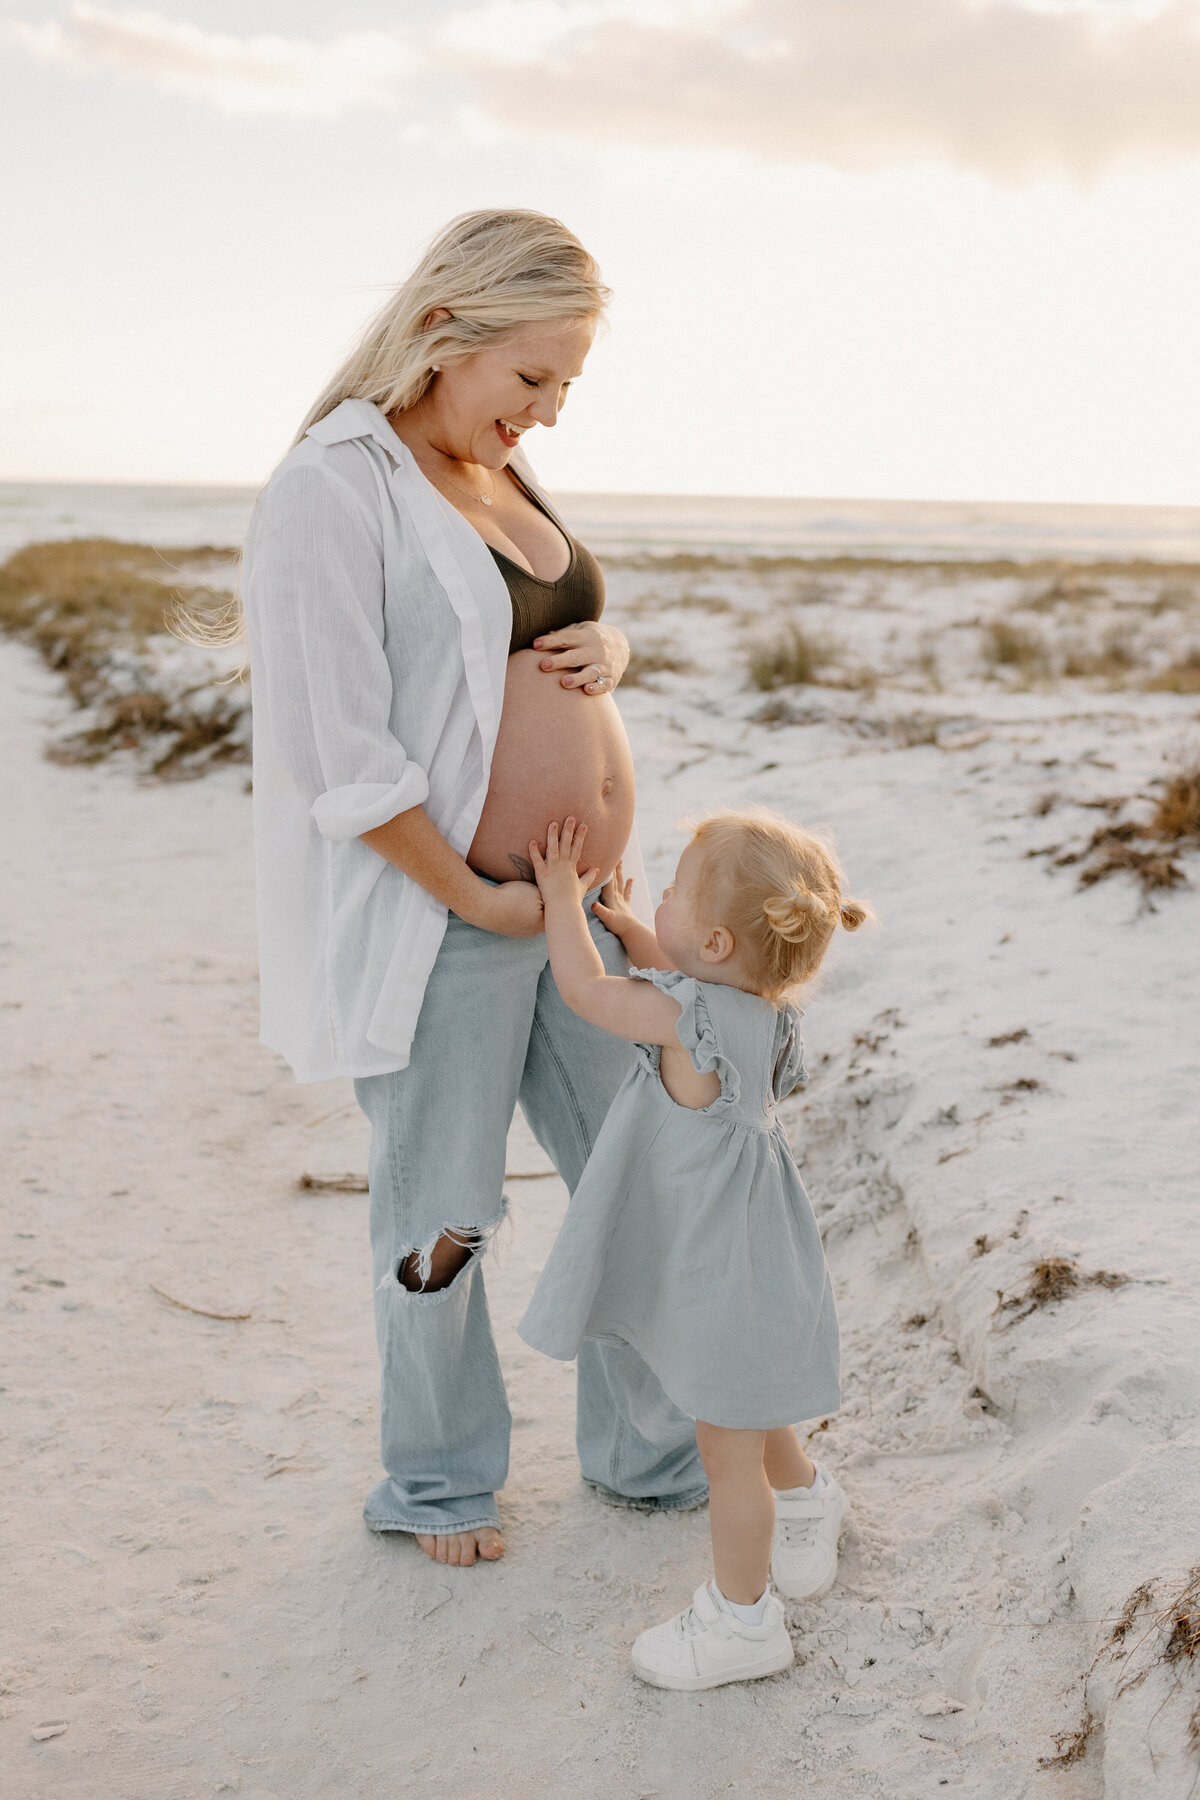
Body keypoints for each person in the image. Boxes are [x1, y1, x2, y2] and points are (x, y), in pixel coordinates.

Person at [240, 209, 707, 1570]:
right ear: (444, 332)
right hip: (449, 925)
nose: (548, 413)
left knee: (636, 1169)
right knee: (443, 1212)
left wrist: (605, 648)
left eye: (568, 386)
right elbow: (343, 753)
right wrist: (477, 896)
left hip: (573, 915)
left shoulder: (498, 475)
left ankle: (649, 1452)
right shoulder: (334, 488)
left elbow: (530, 629)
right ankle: (437, 1482)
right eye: (532, 379)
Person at [519, 807, 870, 1689]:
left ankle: (742, 1624)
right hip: (756, 1249)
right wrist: (642, 925)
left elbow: (586, 992)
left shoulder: (681, 1019)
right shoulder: (762, 1009)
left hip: (717, 1258)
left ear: (715, 941)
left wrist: (563, 899)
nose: (660, 891)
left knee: (724, 1454)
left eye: (672, 888)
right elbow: (686, 979)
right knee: (748, 1402)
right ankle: (807, 1496)